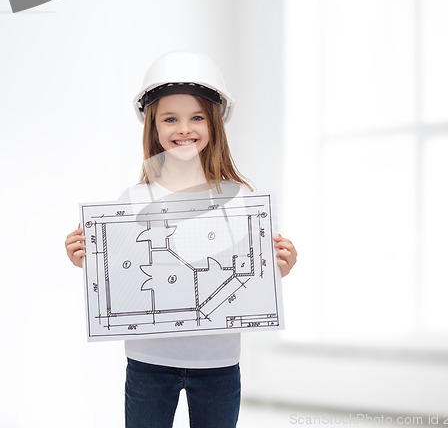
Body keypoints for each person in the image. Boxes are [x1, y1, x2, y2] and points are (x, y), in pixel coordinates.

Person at [65, 51, 297, 428]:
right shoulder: (132, 201)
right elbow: (122, 274)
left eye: (197, 117)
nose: (183, 128)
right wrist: (86, 260)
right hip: (149, 362)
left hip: (217, 362)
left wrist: (278, 268)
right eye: (170, 118)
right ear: (152, 126)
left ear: (214, 124)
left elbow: (248, 274)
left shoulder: (239, 198)